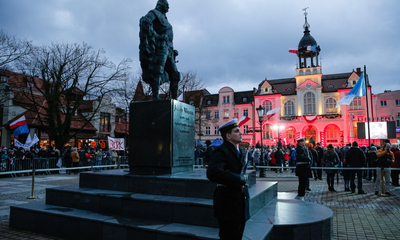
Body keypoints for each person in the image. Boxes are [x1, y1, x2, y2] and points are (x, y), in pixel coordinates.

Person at [207, 119, 249, 240]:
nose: (241, 133)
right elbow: (212, 172)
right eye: (237, 131)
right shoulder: (222, 151)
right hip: (228, 203)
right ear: (228, 136)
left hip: (239, 202)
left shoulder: (238, 150)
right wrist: (238, 178)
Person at [139, 0, 180, 101]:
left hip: (169, 49)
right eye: (167, 6)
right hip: (161, 46)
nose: (168, 9)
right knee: (158, 70)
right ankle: (155, 96)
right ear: (161, 5)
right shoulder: (154, 13)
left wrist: (173, 49)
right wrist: (157, 36)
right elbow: (145, 22)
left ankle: (174, 100)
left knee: (175, 74)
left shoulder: (165, 18)